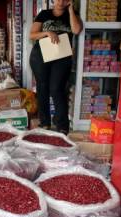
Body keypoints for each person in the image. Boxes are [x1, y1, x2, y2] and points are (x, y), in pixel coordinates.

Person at [29, 0, 82, 135]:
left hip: (62, 56)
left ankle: (62, 124)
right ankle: (44, 122)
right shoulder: (44, 14)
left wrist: (70, 10)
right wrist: (47, 33)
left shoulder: (73, 14)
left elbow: (76, 30)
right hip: (40, 55)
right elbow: (32, 34)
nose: (61, 2)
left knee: (57, 89)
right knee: (42, 88)